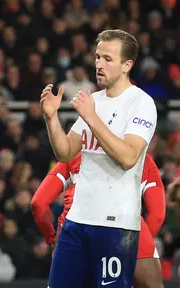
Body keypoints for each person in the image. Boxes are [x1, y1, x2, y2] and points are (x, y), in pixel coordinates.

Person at [39, 29, 157, 287]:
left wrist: (91, 117)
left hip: (115, 226)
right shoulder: (94, 101)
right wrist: (51, 118)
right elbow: (66, 151)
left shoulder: (141, 104)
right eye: (97, 57)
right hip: (76, 221)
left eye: (107, 59)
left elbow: (128, 157)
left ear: (127, 65)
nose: (99, 64)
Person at [31, 153, 166, 288]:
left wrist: (52, 240)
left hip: (73, 228)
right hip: (124, 223)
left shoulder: (75, 154)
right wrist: (134, 244)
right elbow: (157, 215)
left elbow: (38, 203)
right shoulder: (142, 159)